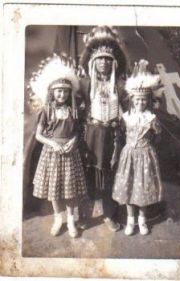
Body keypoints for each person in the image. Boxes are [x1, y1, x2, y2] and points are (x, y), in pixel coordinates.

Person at [27, 53, 87, 238]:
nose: (62, 94)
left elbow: (77, 131)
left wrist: (73, 141)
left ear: (70, 93)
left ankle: (70, 219)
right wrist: (52, 143)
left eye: (65, 91)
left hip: (70, 152)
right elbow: (38, 135)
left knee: (70, 190)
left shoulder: (73, 111)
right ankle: (57, 218)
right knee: (54, 190)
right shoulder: (47, 111)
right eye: (58, 91)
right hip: (52, 153)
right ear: (52, 92)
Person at [79, 26, 128, 231]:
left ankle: (109, 214)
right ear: (93, 62)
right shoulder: (85, 84)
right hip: (91, 136)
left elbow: (131, 109)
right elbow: (72, 105)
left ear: (114, 62)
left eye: (108, 59)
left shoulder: (120, 85)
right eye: (99, 59)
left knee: (111, 174)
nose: (103, 62)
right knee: (88, 173)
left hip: (113, 136)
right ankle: (85, 213)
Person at [112, 59, 163, 235]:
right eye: (137, 100)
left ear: (148, 100)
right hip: (129, 156)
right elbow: (119, 135)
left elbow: (158, 136)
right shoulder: (126, 117)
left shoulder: (151, 118)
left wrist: (148, 147)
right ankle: (130, 220)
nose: (140, 103)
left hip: (145, 155)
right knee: (128, 187)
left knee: (143, 188)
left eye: (143, 100)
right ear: (132, 100)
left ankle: (142, 220)